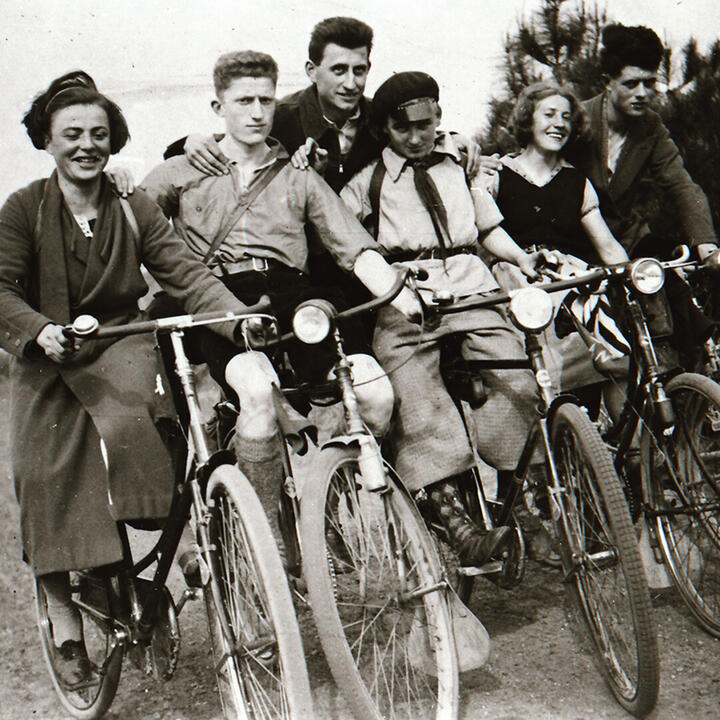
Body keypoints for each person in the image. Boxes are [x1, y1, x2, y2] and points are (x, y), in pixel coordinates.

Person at [0, 71, 252, 687]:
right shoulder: (23, 208)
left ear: (114, 139)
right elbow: (1, 287)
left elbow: (185, 273)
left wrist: (239, 322)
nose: (87, 145)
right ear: (47, 141)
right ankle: (66, 619)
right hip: (50, 356)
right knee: (44, 469)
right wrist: (36, 329)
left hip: (120, 343)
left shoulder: (132, 205)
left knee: (136, 429)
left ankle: (175, 556)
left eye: (99, 133)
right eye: (71, 135)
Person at [140, 51, 418, 545]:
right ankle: (268, 538)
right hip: (213, 300)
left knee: (376, 392)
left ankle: (324, 504)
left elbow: (352, 246)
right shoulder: (178, 172)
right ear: (217, 105)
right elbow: (129, 236)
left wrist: (406, 300)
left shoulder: (297, 172)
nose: (255, 112)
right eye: (242, 100)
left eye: (265, 99)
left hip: (292, 298)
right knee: (256, 389)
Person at [340, 71, 544, 565]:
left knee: (514, 372)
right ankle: (453, 517)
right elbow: (350, 250)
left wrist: (520, 260)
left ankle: (524, 501)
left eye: (425, 125)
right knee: (414, 389)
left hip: (472, 282)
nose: (416, 137)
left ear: (439, 119)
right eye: (402, 129)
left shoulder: (460, 165)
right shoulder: (366, 182)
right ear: (383, 130)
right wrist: (391, 289)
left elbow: (487, 228)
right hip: (407, 297)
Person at [485, 80, 629, 391]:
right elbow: (483, 231)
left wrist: (630, 273)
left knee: (618, 359)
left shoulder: (577, 182)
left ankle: (614, 438)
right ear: (528, 118)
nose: (559, 124)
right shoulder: (497, 173)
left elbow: (607, 245)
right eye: (549, 114)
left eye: (566, 117)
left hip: (567, 279)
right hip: (514, 278)